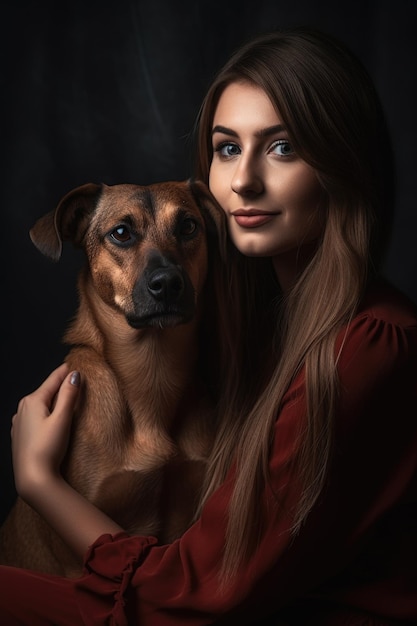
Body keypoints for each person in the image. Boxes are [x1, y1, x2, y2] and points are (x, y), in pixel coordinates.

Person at [1, 26, 416, 626]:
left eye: (283, 148)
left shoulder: (366, 348)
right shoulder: (259, 340)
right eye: (227, 148)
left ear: (341, 162)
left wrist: (40, 482)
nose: (243, 181)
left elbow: (197, 593)